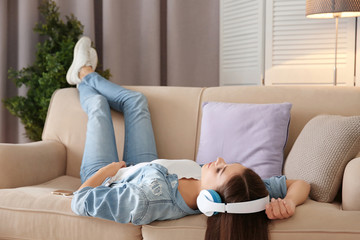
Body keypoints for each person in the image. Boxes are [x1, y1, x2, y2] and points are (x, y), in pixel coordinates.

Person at [68, 36, 310, 240]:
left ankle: (83, 73)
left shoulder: (148, 200)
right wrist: (288, 203)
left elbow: (80, 200)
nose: (218, 160)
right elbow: (300, 185)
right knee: (136, 101)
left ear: (211, 199)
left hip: (109, 176)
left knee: (99, 106)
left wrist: (109, 170)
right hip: (147, 167)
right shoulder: (240, 191)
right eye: (227, 164)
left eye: (220, 170)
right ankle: (84, 74)